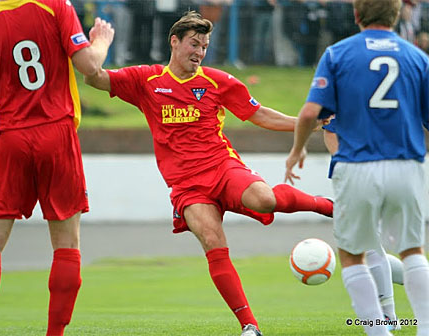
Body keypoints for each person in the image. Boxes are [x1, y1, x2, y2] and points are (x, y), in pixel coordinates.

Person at [85, 10, 333, 336]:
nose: (199, 53)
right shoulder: (146, 80)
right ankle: (249, 327)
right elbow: (94, 77)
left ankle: (328, 206)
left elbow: (259, 115)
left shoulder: (218, 81)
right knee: (213, 242)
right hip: (187, 186)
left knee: (265, 199)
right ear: (174, 42)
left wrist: (308, 124)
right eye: (194, 44)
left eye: (204, 46)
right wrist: (99, 44)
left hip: (221, 167)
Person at [285, 0, 429, 335]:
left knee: (354, 254)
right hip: (405, 164)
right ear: (396, 15)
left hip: (357, 165)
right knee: (412, 251)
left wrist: (297, 150)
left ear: (356, 14)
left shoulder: (338, 54)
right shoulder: (418, 58)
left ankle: (380, 329)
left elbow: (310, 114)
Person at [0, 1, 114, 334]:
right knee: (66, 244)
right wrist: (101, 40)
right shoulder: (55, 5)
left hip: (9, 137)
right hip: (55, 133)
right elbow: (88, 66)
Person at [323, 118, 403, 331]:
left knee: (363, 243)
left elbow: (330, 130)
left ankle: (387, 316)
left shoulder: (346, 86)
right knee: (366, 244)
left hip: (362, 172)